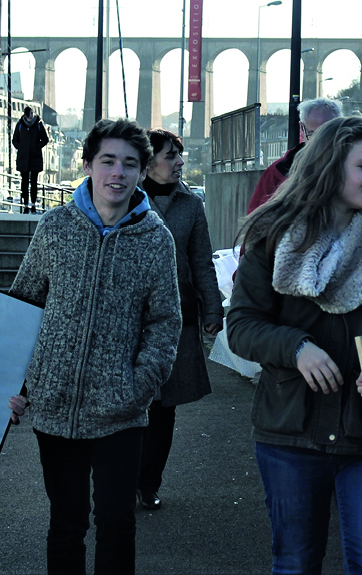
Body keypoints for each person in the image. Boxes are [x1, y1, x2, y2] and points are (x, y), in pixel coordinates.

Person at [227, 115, 362, 575]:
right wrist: (295, 347)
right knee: (295, 564)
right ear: (328, 169)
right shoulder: (272, 236)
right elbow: (241, 325)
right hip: (289, 433)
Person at [9, 118, 182, 575]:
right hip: (56, 407)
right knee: (66, 524)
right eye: (107, 161)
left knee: (116, 524)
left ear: (142, 171)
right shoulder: (55, 228)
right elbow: (24, 304)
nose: (117, 173)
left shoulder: (155, 240)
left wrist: (137, 387)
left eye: (130, 164)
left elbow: (165, 323)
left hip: (121, 412)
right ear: (87, 165)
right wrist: (17, 383)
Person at [136, 128, 224, 511]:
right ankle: (122, 479)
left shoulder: (191, 205)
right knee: (130, 403)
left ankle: (148, 483)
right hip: (130, 321)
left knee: (163, 408)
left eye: (179, 154)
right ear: (148, 162)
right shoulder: (125, 200)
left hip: (177, 318)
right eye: (170, 155)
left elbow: (201, 261)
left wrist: (212, 309)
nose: (180, 162)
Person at [247, 98, 362, 214]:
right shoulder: (278, 172)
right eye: (315, 134)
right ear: (302, 128)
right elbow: (256, 228)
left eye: (330, 133)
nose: (322, 142)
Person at [13, 106, 49, 214]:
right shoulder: (20, 124)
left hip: (35, 157)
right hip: (23, 157)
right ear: (25, 115)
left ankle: (33, 204)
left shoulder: (38, 124)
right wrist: (21, 147)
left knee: (34, 182)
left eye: (31, 114)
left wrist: (37, 146)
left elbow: (45, 139)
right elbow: (14, 140)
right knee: (24, 183)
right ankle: (25, 205)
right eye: (28, 115)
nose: (30, 117)